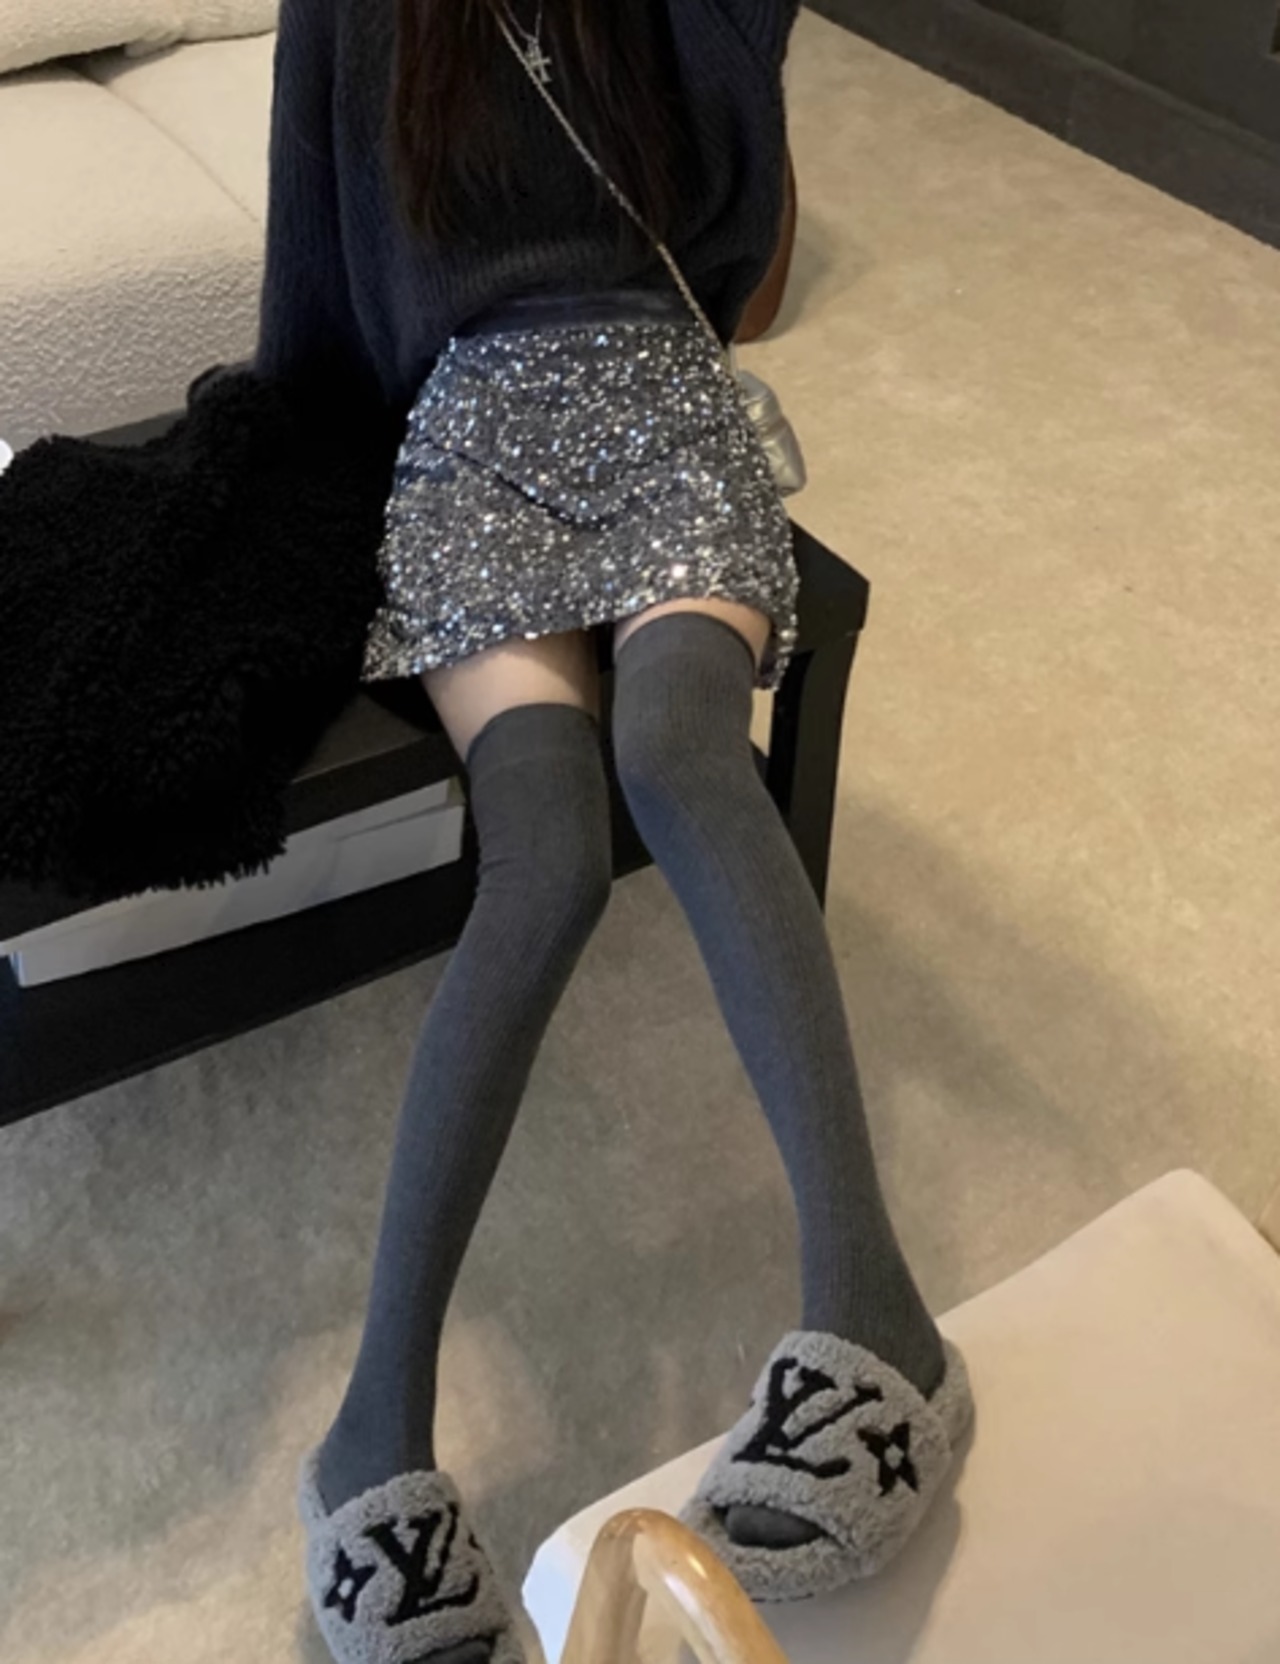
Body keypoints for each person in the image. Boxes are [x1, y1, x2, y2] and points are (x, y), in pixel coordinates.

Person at [263, 3, 973, 1660]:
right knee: (547, 858)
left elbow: (746, 256)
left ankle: (877, 1310)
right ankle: (370, 1435)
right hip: (471, 440)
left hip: (663, 403)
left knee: (678, 752)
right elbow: (316, 283)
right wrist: (292, 498)